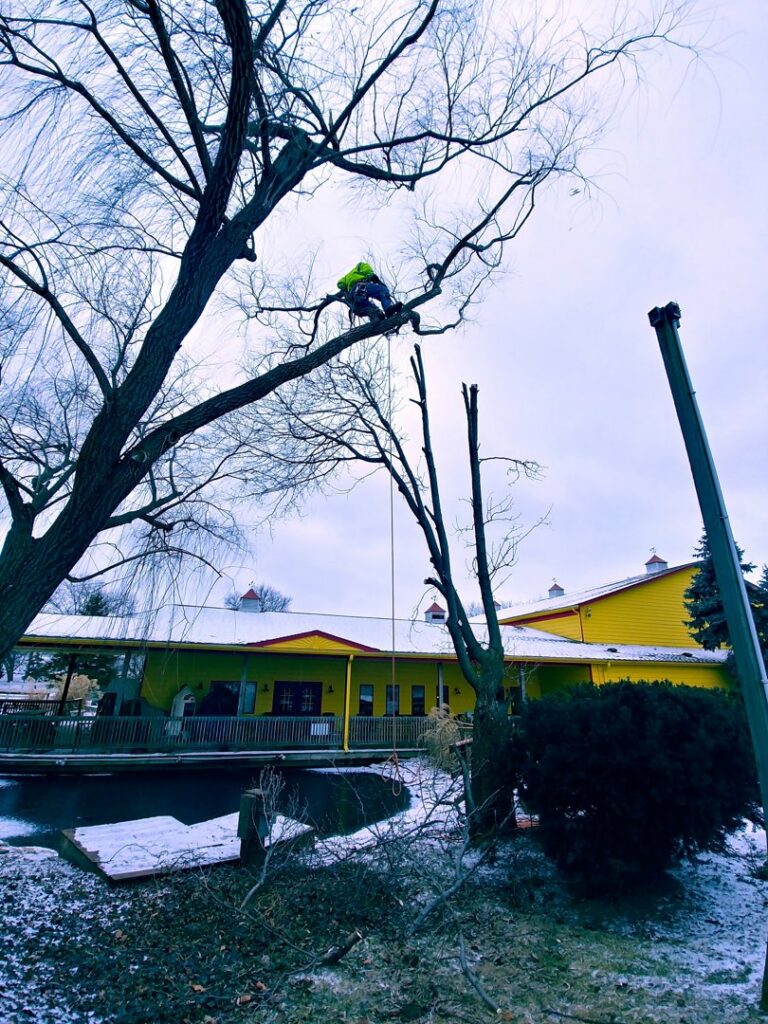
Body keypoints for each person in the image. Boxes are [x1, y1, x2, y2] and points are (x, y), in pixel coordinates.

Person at [337, 261, 403, 321]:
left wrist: (347, 288)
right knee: (382, 289)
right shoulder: (361, 265)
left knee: (370, 306)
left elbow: (339, 284)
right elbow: (368, 271)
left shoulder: (345, 277)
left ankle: (378, 314)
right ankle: (388, 309)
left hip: (353, 295)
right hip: (361, 285)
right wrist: (372, 276)